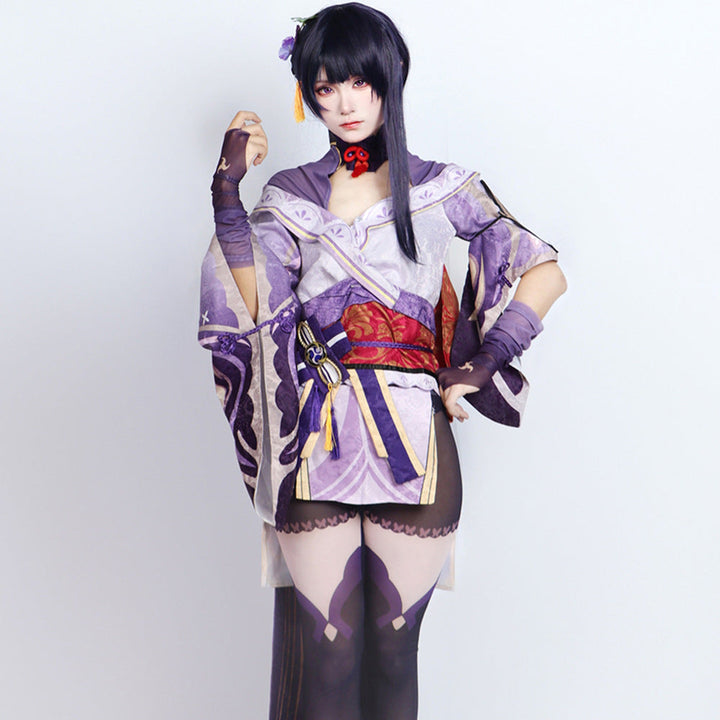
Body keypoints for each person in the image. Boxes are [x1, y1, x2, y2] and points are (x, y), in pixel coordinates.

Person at [198, 4, 567, 718]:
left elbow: (543, 270)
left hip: (415, 438)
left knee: (395, 657)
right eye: (326, 86)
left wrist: (486, 361)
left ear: (390, 77)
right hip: (318, 435)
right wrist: (226, 195)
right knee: (328, 654)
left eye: (359, 83)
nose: (345, 103)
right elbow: (255, 303)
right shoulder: (290, 197)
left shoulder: (442, 188)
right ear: (309, 93)